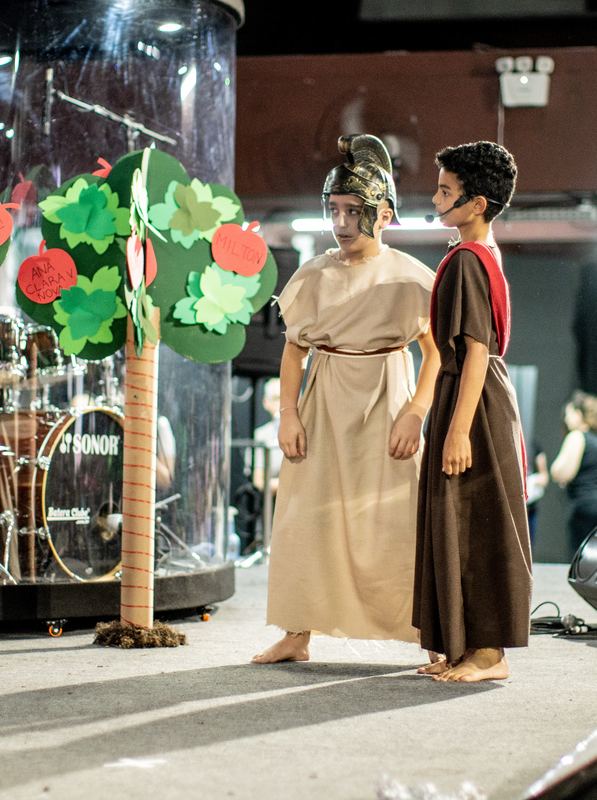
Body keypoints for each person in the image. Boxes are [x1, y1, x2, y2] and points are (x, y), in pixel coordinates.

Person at [253, 135, 441, 664]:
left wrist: (416, 412)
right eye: (334, 209)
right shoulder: (314, 273)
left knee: (397, 520)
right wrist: (288, 415)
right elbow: (294, 353)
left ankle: (427, 634)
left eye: (353, 211)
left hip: (387, 401)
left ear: (382, 215)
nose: (341, 222)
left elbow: (436, 354)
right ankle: (297, 634)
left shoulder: (408, 276)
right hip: (324, 399)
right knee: (304, 516)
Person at [414, 140, 531, 683]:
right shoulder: (482, 251)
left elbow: (477, 349)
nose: (436, 198)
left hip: (473, 399)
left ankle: (488, 654)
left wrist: (458, 430)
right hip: (474, 394)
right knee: (462, 516)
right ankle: (465, 646)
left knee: (475, 519)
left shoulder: (466, 259)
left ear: (477, 203)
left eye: (446, 191)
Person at [549, 391, 597, 556]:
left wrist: (557, 473)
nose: (566, 419)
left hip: (584, 508)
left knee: (580, 557)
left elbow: (562, 472)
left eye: (569, 414)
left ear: (579, 414)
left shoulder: (577, 436)